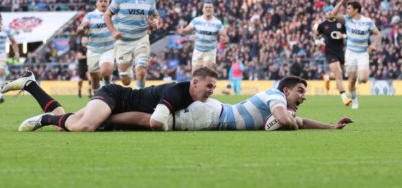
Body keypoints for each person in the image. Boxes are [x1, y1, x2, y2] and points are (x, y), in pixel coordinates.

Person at [2, 67, 217, 132]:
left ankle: (30, 84)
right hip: (116, 96)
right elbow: (152, 121)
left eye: (214, 87)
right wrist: (111, 119)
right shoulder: (176, 92)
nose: (211, 91)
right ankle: (46, 119)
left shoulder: (191, 97)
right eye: (208, 86)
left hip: (120, 106)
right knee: (86, 126)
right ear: (195, 82)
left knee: (68, 125)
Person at [107, 76, 353, 131]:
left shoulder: (278, 104)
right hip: (211, 116)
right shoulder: (275, 96)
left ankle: (108, 119)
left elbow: (299, 120)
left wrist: (331, 127)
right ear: (285, 90)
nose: (304, 96)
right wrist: (285, 122)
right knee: (154, 122)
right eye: (300, 91)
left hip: (215, 113)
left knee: (155, 121)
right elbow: (288, 119)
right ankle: (107, 120)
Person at [104, 0, 160, 89]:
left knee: (141, 71)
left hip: (141, 39)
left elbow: (156, 16)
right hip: (123, 42)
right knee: (126, 81)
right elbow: (107, 15)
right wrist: (114, 31)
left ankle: (140, 98)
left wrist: (155, 22)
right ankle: (126, 75)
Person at [328, 0, 381, 109]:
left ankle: (359, 74)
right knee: (351, 81)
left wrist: (374, 44)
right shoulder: (347, 19)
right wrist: (342, 1)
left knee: (363, 79)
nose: (347, 10)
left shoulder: (367, 22)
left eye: (349, 8)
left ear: (356, 10)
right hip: (350, 54)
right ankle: (354, 100)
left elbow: (377, 33)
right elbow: (332, 15)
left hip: (362, 54)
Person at [76, 0, 114, 95]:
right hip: (93, 49)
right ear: (97, 4)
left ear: (109, 4)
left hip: (109, 48)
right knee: (94, 77)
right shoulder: (90, 16)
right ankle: (97, 96)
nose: (103, 3)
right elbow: (78, 31)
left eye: (105, 1)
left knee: (106, 71)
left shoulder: (114, 15)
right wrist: (82, 27)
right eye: (101, 1)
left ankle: (107, 89)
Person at [177, 0, 228, 73]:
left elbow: (225, 37)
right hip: (198, 51)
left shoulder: (217, 23)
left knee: (206, 75)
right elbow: (186, 31)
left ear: (213, 9)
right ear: (203, 9)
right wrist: (182, 32)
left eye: (210, 7)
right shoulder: (196, 20)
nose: (208, 9)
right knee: (195, 76)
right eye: (206, 7)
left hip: (210, 52)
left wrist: (225, 40)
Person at [315, 5, 351, 106]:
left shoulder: (340, 24)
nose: (329, 13)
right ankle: (345, 99)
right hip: (330, 52)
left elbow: (347, 35)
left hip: (340, 52)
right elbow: (316, 35)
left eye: (331, 11)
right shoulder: (322, 25)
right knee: (339, 74)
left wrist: (342, 36)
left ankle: (328, 77)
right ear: (325, 13)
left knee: (339, 74)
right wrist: (318, 41)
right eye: (328, 11)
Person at [0, 11, 20, 103]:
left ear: (1, 19)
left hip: (1, 54)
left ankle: (1, 95)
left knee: (0, 72)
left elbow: (13, 42)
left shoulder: (6, 29)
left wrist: (17, 53)